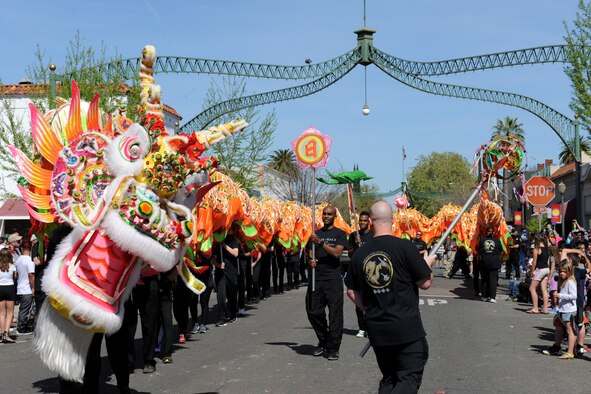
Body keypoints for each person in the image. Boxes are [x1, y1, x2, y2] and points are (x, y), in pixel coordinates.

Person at [345, 201, 436, 393]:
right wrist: (426, 264)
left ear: (370, 221)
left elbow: (351, 291)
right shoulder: (405, 247)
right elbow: (425, 282)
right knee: (407, 379)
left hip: (378, 329)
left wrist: (369, 309)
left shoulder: (360, 253)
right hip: (407, 329)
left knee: (389, 379)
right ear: (393, 220)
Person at [306, 205, 349, 361]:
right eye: (324, 214)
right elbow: (309, 252)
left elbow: (337, 253)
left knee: (335, 315)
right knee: (313, 311)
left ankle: (333, 348)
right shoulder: (314, 234)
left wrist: (321, 243)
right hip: (316, 278)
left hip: (333, 279)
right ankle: (323, 340)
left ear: (335, 216)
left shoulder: (340, 234)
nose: (326, 216)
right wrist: (311, 260)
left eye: (329, 214)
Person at [347, 210, 374, 338]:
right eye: (361, 220)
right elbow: (350, 254)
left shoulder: (374, 235)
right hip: (357, 272)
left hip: (371, 272)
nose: (362, 222)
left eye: (365, 220)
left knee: (371, 300)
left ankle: (371, 327)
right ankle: (362, 328)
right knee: (358, 301)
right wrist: (357, 245)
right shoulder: (353, 235)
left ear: (369, 221)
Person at [546, 260, 578, 359]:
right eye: (560, 271)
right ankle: (572, 350)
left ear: (569, 271)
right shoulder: (566, 281)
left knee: (570, 331)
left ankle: (570, 352)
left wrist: (560, 295)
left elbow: (573, 296)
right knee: (566, 329)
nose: (561, 273)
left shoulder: (570, 282)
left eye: (564, 271)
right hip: (564, 309)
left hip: (568, 310)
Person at [527, 234, 552, 314]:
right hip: (546, 269)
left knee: (532, 288)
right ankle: (545, 308)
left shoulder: (536, 249)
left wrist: (532, 271)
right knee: (544, 289)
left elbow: (534, 262)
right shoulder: (547, 249)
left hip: (540, 269)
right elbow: (548, 261)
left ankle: (535, 308)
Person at [477, 227, 503, 303]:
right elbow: (500, 250)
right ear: (493, 233)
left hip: (484, 262)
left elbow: (479, 250)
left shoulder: (482, 241)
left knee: (484, 280)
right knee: (493, 281)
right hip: (494, 262)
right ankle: (492, 297)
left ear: (486, 232)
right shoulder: (497, 241)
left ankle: (484, 296)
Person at [14, 244, 35, 334]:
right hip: (27, 289)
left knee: (22, 308)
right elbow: (31, 275)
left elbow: (16, 275)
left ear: (22, 249)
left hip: (19, 287)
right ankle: (21, 328)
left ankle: (22, 326)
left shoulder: (18, 260)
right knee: (25, 310)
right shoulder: (30, 261)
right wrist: (33, 288)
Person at [0, 248, 17, 343]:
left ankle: (2, 333)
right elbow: (15, 277)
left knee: (1, 313)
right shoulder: (12, 266)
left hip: (0, 288)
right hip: (9, 287)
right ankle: (6, 333)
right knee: (10, 312)